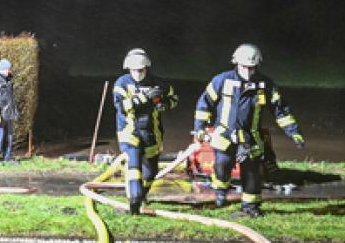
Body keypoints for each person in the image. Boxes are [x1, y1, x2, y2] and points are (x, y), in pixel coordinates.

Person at [193, 43, 305, 217]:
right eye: (244, 67)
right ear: (236, 63)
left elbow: (280, 110)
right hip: (224, 135)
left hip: (251, 138)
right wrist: (199, 128)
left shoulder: (265, 85)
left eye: (252, 68)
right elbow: (204, 103)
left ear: (257, 66)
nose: (248, 71)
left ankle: (251, 208)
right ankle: (220, 192)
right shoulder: (221, 80)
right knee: (222, 165)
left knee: (251, 174)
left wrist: (293, 132)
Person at [112, 48, 178, 214]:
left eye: (140, 70)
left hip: (152, 132)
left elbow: (174, 98)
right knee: (133, 166)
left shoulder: (159, 83)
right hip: (130, 131)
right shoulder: (122, 83)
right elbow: (120, 107)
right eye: (134, 70)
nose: (137, 74)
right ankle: (134, 203)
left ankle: (142, 195)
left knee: (151, 171)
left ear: (146, 68)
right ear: (128, 69)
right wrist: (144, 97)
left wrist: (164, 104)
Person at [0, 58, 20, 163]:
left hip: (8, 113)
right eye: (8, 69)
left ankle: (7, 157)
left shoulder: (8, 80)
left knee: (9, 136)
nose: (10, 71)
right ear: (3, 69)